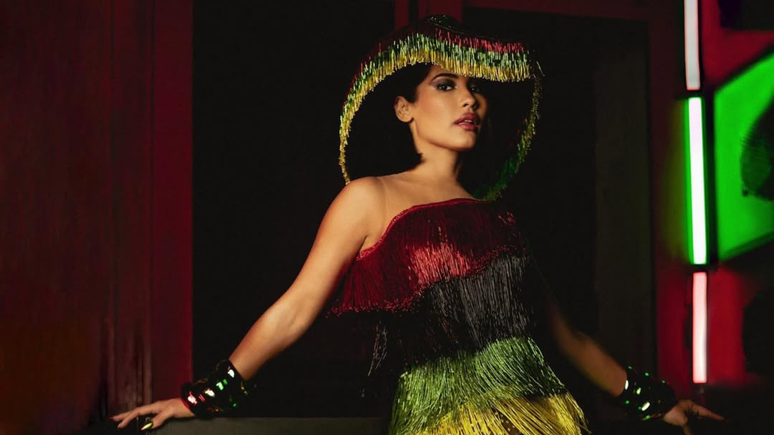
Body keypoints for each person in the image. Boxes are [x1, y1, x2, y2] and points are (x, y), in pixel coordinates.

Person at [111, 15, 723, 435]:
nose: (469, 100)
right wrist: (203, 397)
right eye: (446, 85)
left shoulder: (500, 217)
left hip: (547, 416)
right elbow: (295, 309)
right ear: (404, 108)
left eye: (476, 89)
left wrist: (659, 404)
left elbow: (569, 339)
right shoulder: (370, 197)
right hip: (443, 420)